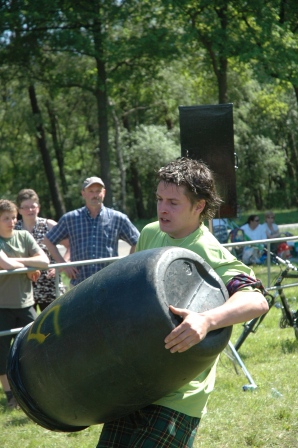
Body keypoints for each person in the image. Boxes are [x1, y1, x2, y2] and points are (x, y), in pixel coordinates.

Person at [96, 157, 269, 448]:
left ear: (199, 206)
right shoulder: (151, 233)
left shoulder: (208, 252)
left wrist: (205, 321)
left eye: (173, 202)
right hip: (135, 383)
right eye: (160, 199)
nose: (162, 208)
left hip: (178, 396)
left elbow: (256, 300)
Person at [43, 176, 140, 286]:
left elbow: (137, 241)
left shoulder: (118, 218)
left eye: (98, 191)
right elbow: (48, 240)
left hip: (109, 283)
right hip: (80, 284)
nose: (95, 195)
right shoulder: (70, 219)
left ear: (104, 192)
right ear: (83, 193)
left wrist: (125, 265)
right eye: (91, 191)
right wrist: (64, 264)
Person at [0, 199, 49, 409]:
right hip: (2, 306)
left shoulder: (23, 236)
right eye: (6, 218)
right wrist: (28, 265)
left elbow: (45, 261)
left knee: (37, 346)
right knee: (2, 353)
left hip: (26, 303)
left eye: (13, 217)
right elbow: (6, 263)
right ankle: (10, 396)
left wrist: (21, 265)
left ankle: (36, 390)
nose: (12, 222)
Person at [15, 189, 69, 311]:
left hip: (50, 286)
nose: (30, 210)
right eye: (25, 207)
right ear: (19, 210)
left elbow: (71, 245)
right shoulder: (14, 229)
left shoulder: (48, 225)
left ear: (38, 207)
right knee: (28, 327)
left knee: (54, 326)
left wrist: (60, 266)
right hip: (24, 288)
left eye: (33, 206)